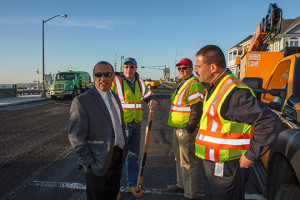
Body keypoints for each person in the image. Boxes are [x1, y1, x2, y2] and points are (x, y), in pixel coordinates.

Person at [193, 45, 281, 200]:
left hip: (226, 165)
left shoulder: (234, 92)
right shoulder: (215, 87)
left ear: (213, 67)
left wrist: (251, 155)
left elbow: (269, 121)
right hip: (214, 163)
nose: (196, 70)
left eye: (199, 66)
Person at [69, 61, 128, 200]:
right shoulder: (81, 101)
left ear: (113, 76)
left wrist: (123, 148)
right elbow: (76, 137)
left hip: (117, 156)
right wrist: (89, 164)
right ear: (93, 76)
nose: (103, 78)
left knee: (113, 194)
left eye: (107, 74)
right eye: (98, 74)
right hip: (97, 162)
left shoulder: (115, 97)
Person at [111, 57, 157, 198]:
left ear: (136, 68)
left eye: (131, 67)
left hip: (136, 125)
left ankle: (131, 184)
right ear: (123, 67)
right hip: (121, 125)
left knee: (133, 156)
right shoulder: (116, 81)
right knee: (118, 158)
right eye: (126, 67)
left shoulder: (140, 83)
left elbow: (148, 96)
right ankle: (114, 189)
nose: (129, 69)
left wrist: (152, 100)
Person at [167, 58, 204, 200]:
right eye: (179, 68)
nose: (181, 70)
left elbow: (197, 108)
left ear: (191, 69)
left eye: (184, 68)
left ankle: (190, 194)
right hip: (177, 128)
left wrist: (190, 128)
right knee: (179, 158)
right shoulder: (183, 83)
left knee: (188, 162)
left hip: (185, 130)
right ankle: (181, 184)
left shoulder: (194, 84)